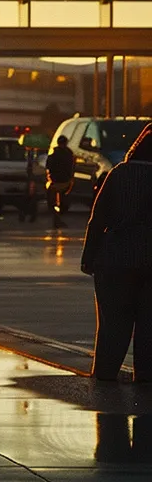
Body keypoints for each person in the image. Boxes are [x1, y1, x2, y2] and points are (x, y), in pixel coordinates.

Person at [81, 123, 152, 382]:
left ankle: (104, 377)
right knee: (149, 329)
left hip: (115, 261)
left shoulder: (119, 174)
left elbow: (98, 219)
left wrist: (89, 257)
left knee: (113, 326)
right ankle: (145, 379)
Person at [47, 134, 76, 229]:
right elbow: (72, 167)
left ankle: (56, 219)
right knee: (63, 202)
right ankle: (58, 219)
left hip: (55, 181)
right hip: (65, 182)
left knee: (53, 202)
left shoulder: (53, 154)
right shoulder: (69, 154)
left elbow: (48, 167)